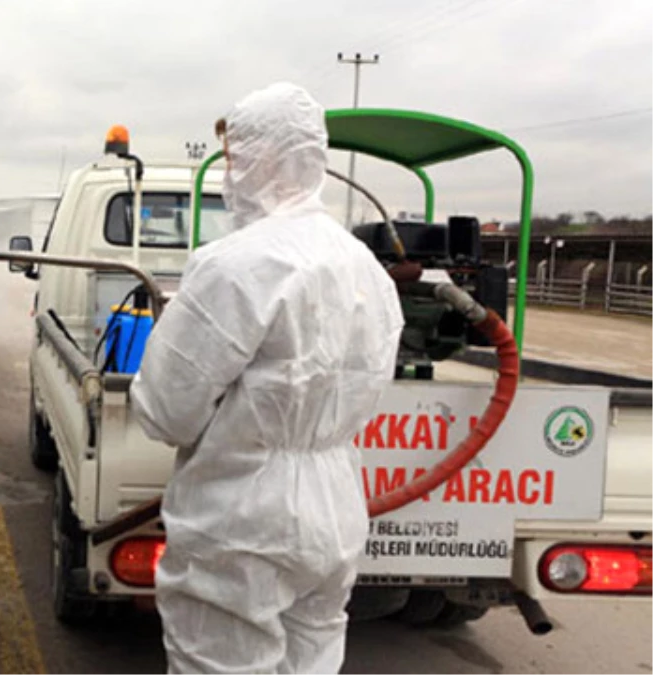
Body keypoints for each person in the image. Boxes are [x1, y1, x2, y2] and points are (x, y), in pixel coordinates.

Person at [130, 82, 404, 674]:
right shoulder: (367, 268)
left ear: (263, 158)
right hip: (334, 506)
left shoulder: (234, 264)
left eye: (234, 158)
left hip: (243, 512)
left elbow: (164, 410)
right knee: (313, 659)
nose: (229, 174)